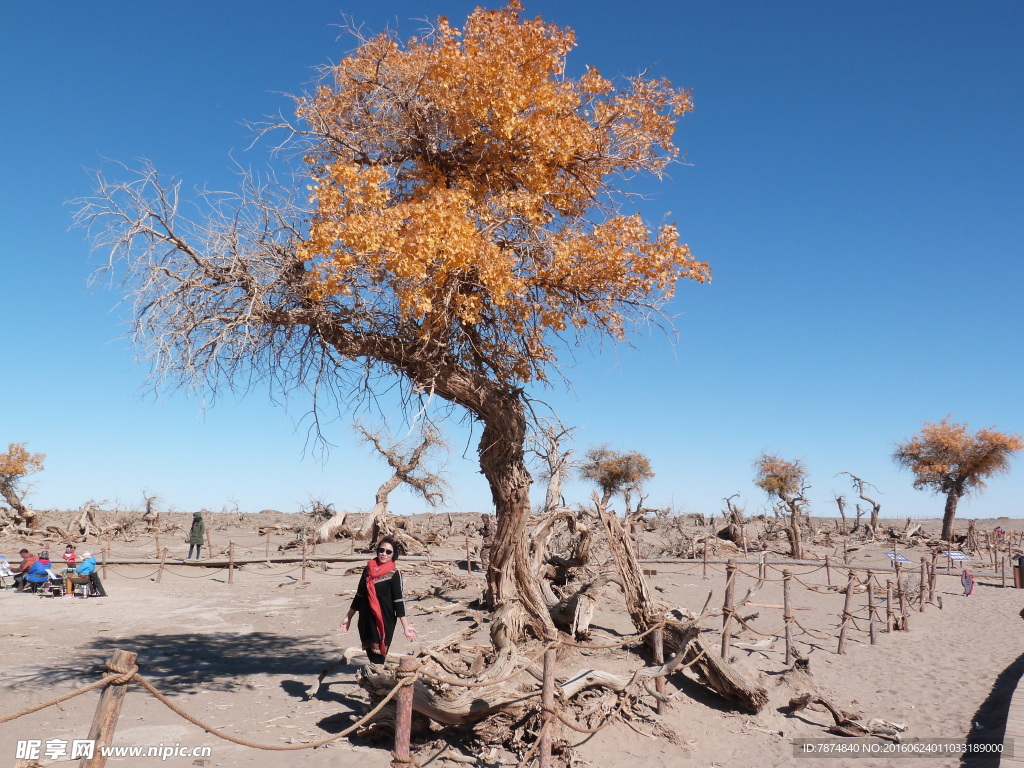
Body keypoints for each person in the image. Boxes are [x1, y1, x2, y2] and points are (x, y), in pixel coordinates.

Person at [340, 536, 417, 663]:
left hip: (384, 620)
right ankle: (375, 673)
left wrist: (406, 626)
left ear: (393, 554)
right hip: (366, 618)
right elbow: (359, 595)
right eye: (381, 550)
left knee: (379, 655)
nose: (384, 554)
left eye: (388, 552)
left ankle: (377, 673)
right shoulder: (368, 569)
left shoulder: (394, 573)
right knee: (371, 654)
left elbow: (399, 600)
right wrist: (348, 617)